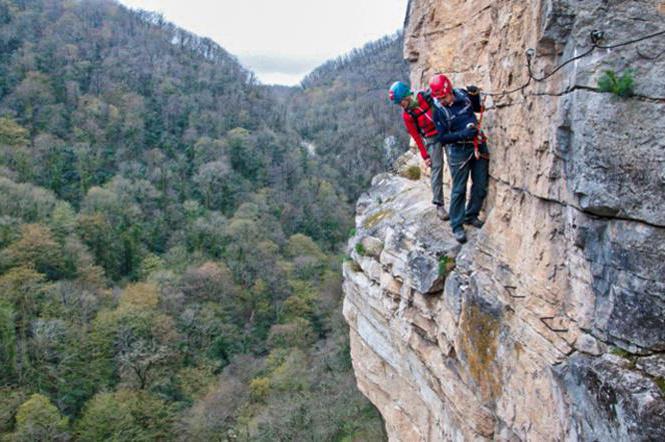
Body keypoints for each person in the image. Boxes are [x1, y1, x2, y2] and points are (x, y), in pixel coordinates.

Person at [429, 74, 489, 244]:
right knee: (459, 189)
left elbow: (477, 109)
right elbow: (442, 138)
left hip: (477, 143)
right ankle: (457, 225)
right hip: (458, 150)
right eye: (438, 98)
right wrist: (463, 134)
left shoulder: (463, 95)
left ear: (449, 91)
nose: (442, 101)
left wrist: (474, 95)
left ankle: (471, 215)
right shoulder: (439, 112)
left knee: (480, 183)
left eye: (443, 97)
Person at [389, 81, 449, 221]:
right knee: (436, 168)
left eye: (401, 102)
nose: (401, 105)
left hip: (445, 130)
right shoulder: (408, 115)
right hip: (431, 137)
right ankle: (439, 205)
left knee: (454, 164)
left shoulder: (424, 97)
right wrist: (425, 155)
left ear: (406, 96)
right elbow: (416, 136)